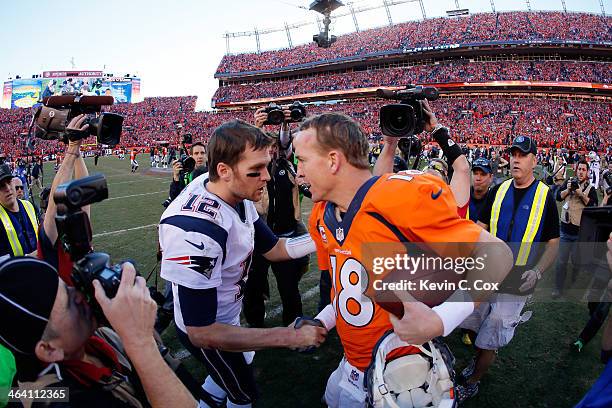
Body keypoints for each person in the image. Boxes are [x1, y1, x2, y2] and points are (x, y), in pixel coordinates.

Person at [294, 112, 513, 407]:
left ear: (333, 160)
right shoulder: (323, 214)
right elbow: (347, 291)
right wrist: (320, 321)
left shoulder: (398, 196)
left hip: (400, 375)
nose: (299, 171)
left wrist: (441, 319)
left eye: (303, 160)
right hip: (350, 366)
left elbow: (497, 255)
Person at [159, 120, 327, 408]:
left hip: (226, 313)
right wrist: (286, 336)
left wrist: (324, 238)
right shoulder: (195, 232)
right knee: (244, 392)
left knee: (232, 373)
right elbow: (202, 331)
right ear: (223, 170)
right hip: (209, 327)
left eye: (266, 166)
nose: (267, 177)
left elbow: (274, 248)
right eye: (256, 170)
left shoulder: (231, 189)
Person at [0, 256, 198, 408]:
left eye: (69, 288)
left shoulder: (98, 338)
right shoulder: (55, 398)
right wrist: (141, 343)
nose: (80, 296)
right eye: (69, 303)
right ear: (50, 349)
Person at [458, 135, 560, 402]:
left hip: (516, 281)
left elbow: (553, 243)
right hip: (489, 272)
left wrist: (537, 272)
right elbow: (480, 226)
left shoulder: (545, 196)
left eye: (522, 154)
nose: (515, 159)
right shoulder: (498, 190)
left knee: (495, 328)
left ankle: (474, 379)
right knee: (471, 321)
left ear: (534, 161)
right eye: (513, 153)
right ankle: (482, 358)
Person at [244, 108, 309, 327]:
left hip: (286, 237)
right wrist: (258, 128)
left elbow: (286, 143)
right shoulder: (254, 169)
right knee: (253, 287)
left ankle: (294, 324)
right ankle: (255, 328)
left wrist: (284, 124)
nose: (272, 151)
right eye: (267, 147)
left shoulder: (286, 165)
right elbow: (247, 151)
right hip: (260, 240)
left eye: (274, 147)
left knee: (289, 288)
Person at [37, 115, 90, 283]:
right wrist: (72, 149)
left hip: (82, 302)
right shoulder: (49, 238)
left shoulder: (76, 229)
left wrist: (76, 148)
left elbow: (84, 194)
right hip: (63, 304)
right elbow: (55, 203)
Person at [553, 160, 598, 298]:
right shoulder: (569, 182)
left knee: (576, 261)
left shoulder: (591, 188)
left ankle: (573, 280)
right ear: (576, 170)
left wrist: (580, 193)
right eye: (579, 169)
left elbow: (593, 206)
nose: (580, 172)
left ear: (587, 172)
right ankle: (558, 289)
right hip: (565, 230)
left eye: (583, 170)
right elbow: (558, 197)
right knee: (561, 262)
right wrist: (568, 189)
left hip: (579, 232)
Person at [0, 164, 38, 257]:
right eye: (1, 186)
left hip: (42, 267)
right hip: (17, 270)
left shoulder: (29, 205)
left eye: (9, 182)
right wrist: (30, 258)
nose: (8, 188)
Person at [468, 158, 494, 223]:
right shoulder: (462, 196)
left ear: (491, 177)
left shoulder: (495, 199)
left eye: (483, 174)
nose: (478, 178)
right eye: (475, 173)